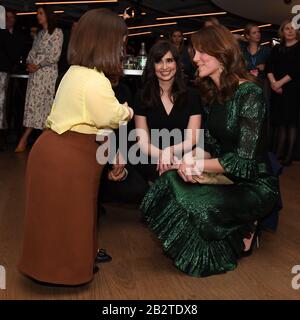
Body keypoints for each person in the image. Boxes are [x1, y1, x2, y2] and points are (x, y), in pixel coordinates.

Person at [140, 25, 279, 277]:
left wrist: (197, 166)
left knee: (195, 201)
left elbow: (244, 163)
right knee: (168, 180)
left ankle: (243, 225)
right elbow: (211, 147)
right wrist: (185, 160)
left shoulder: (250, 94)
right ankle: (227, 229)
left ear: (221, 53)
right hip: (225, 177)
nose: (194, 59)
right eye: (194, 52)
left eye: (202, 52)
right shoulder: (214, 94)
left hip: (254, 184)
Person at [18, 8, 133, 286]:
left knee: (57, 217)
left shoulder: (75, 72)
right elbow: (111, 116)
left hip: (54, 149)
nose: (122, 49)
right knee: (72, 216)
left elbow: (95, 121)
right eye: (121, 42)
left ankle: (66, 263)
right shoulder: (95, 80)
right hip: (70, 155)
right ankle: (67, 270)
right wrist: (126, 111)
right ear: (106, 42)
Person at [134, 40, 202, 183]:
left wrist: (169, 151)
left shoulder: (192, 95)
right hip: (151, 160)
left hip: (184, 160)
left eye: (169, 61)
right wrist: (163, 155)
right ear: (152, 66)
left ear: (177, 63)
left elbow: (193, 139)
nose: (164, 67)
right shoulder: (142, 96)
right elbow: (143, 142)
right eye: (159, 61)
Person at [15, 6, 63, 152]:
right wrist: (29, 64)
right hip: (35, 76)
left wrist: (38, 64)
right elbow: (32, 52)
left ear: (48, 15)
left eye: (40, 13)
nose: (38, 16)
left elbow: (55, 55)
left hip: (47, 75)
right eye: (37, 13)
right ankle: (37, 143)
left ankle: (34, 142)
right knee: (33, 107)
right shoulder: (40, 34)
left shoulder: (57, 32)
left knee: (44, 107)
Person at [266, 20, 300, 166]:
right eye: (287, 28)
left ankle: (289, 156)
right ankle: (278, 153)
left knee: (291, 124)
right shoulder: (277, 48)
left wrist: (279, 83)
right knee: (280, 123)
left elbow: (296, 70)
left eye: (293, 28)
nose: (290, 31)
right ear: (282, 31)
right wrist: (274, 83)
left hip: (293, 91)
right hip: (277, 90)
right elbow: (269, 67)